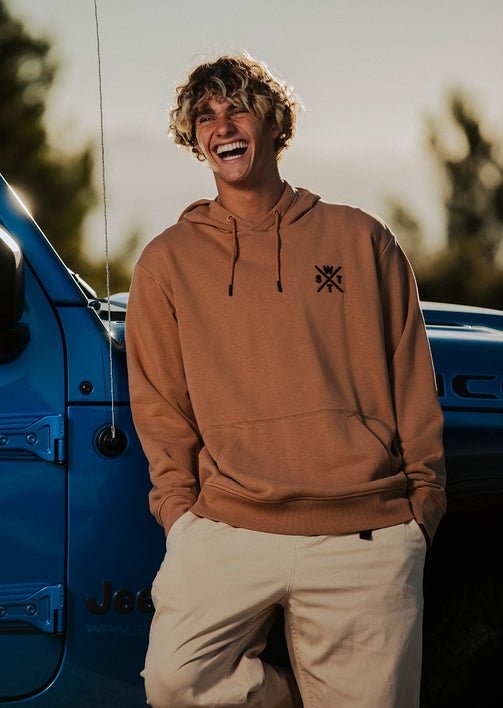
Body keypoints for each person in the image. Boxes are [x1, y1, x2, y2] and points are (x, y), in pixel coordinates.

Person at [125, 54, 446, 708]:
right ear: (195, 139)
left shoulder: (360, 239)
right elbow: (161, 408)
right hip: (227, 526)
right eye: (205, 117)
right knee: (177, 682)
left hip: (363, 531)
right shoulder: (166, 261)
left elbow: (412, 376)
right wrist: (178, 516)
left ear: (273, 122)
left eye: (237, 108)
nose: (222, 126)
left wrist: (423, 507)